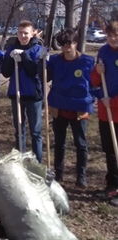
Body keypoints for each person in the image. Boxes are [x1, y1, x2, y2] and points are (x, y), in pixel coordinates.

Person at [46, 29, 94, 187]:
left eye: (68, 43)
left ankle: (81, 175)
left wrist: (91, 99)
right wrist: (40, 61)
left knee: (80, 143)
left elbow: (94, 83)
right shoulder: (55, 61)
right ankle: (58, 174)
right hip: (59, 106)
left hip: (79, 108)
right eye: (62, 44)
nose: (65, 47)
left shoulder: (87, 61)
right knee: (59, 142)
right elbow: (45, 76)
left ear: (75, 43)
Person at [2, 20, 44, 162]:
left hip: (33, 95)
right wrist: (10, 58)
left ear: (32, 34)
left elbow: (33, 71)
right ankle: (20, 160)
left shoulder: (37, 49)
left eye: (26, 33)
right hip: (17, 94)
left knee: (35, 132)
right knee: (19, 131)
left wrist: (24, 56)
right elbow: (6, 73)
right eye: (20, 33)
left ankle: (38, 162)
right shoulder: (11, 48)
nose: (23, 36)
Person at [90, 21, 118, 205]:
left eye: (115, 35)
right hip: (105, 111)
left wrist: (114, 102)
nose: (112, 38)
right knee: (109, 150)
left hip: (115, 109)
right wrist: (98, 72)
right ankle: (112, 187)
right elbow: (95, 82)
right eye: (109, 35)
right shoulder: (103, 52)